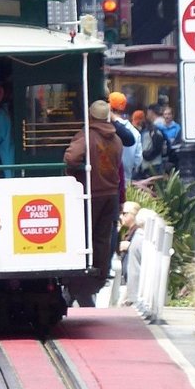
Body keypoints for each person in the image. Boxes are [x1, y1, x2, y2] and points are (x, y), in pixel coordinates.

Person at [65, 100, 123, 301]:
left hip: (92, 192)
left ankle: (80, 281)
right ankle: (98, 275)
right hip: (111, 194)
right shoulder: (116, 139)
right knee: (102, 237)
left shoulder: (88, 136)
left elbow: (71, 157)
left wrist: (74, 174)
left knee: (84, 235)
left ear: (90, 115)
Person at [108, 92, 142, 187]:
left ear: (109, 107)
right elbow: (138, 161)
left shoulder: (106, 128)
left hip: (107, 183)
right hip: (126, 182)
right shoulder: (135, 133)